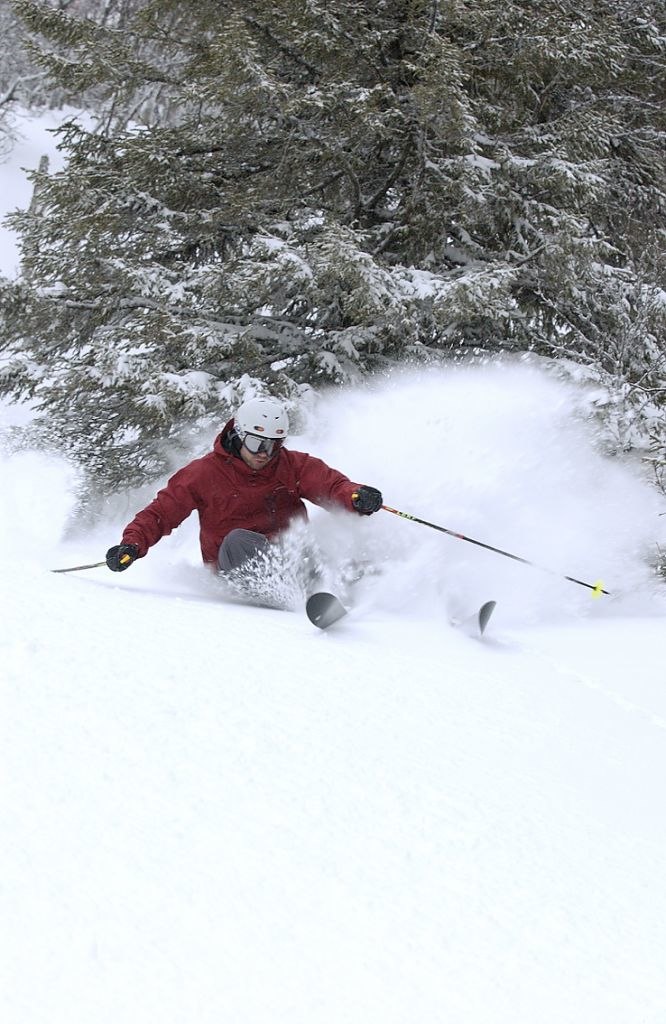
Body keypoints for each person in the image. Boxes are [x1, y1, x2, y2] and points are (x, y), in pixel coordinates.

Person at [105, 396, 383, 577]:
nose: (264, 453)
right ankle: (304, 582)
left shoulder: (292, 465)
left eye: (273, 445)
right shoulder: (203, 473)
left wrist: (356, 497)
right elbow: (161, 513)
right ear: (238, 436)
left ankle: (351, 579)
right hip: (234, 567)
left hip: (292, 559)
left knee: (326, 539)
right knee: (238, 539)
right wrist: (131, 545)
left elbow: (332, 486)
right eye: (256, 443)